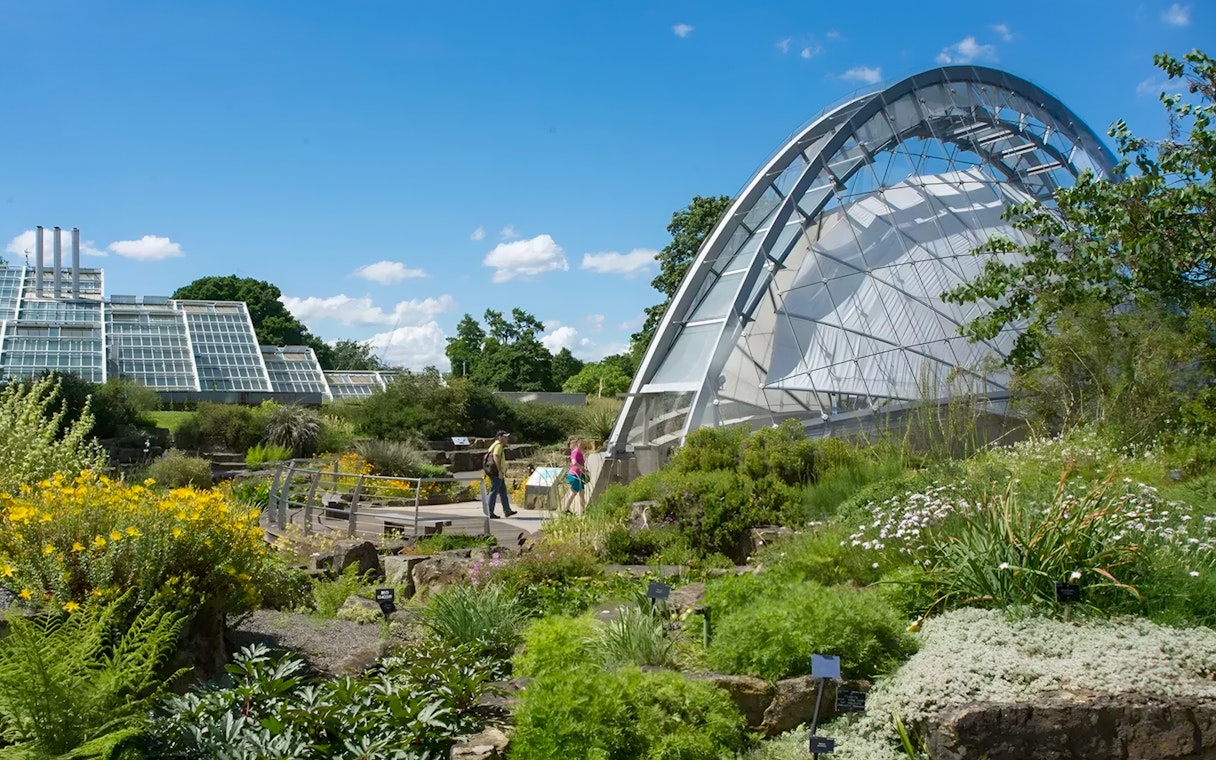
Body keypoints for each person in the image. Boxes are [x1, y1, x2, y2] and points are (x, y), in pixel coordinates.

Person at [485, 430, 516, 518]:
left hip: (494, 471)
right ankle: (490, 512)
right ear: (500, 437)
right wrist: (499, 471)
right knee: (494, 491)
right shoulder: (498, 446)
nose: (507, 439)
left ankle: (507, 510)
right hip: (496, 472)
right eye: (505, 437)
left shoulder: (494, 445)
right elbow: (496, 456)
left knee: (503, 491)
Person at [563, 438, 587, 514]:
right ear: (577, 445)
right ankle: (566, 509)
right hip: (575, 475)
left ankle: (583, 510)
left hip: (579, 475)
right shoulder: (575, 452)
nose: (582, 446)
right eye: (581, 445)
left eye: (583, 445)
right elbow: (574, 462)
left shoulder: (579, 453)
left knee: (582, 493)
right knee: (574, 492)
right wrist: (581, 467)